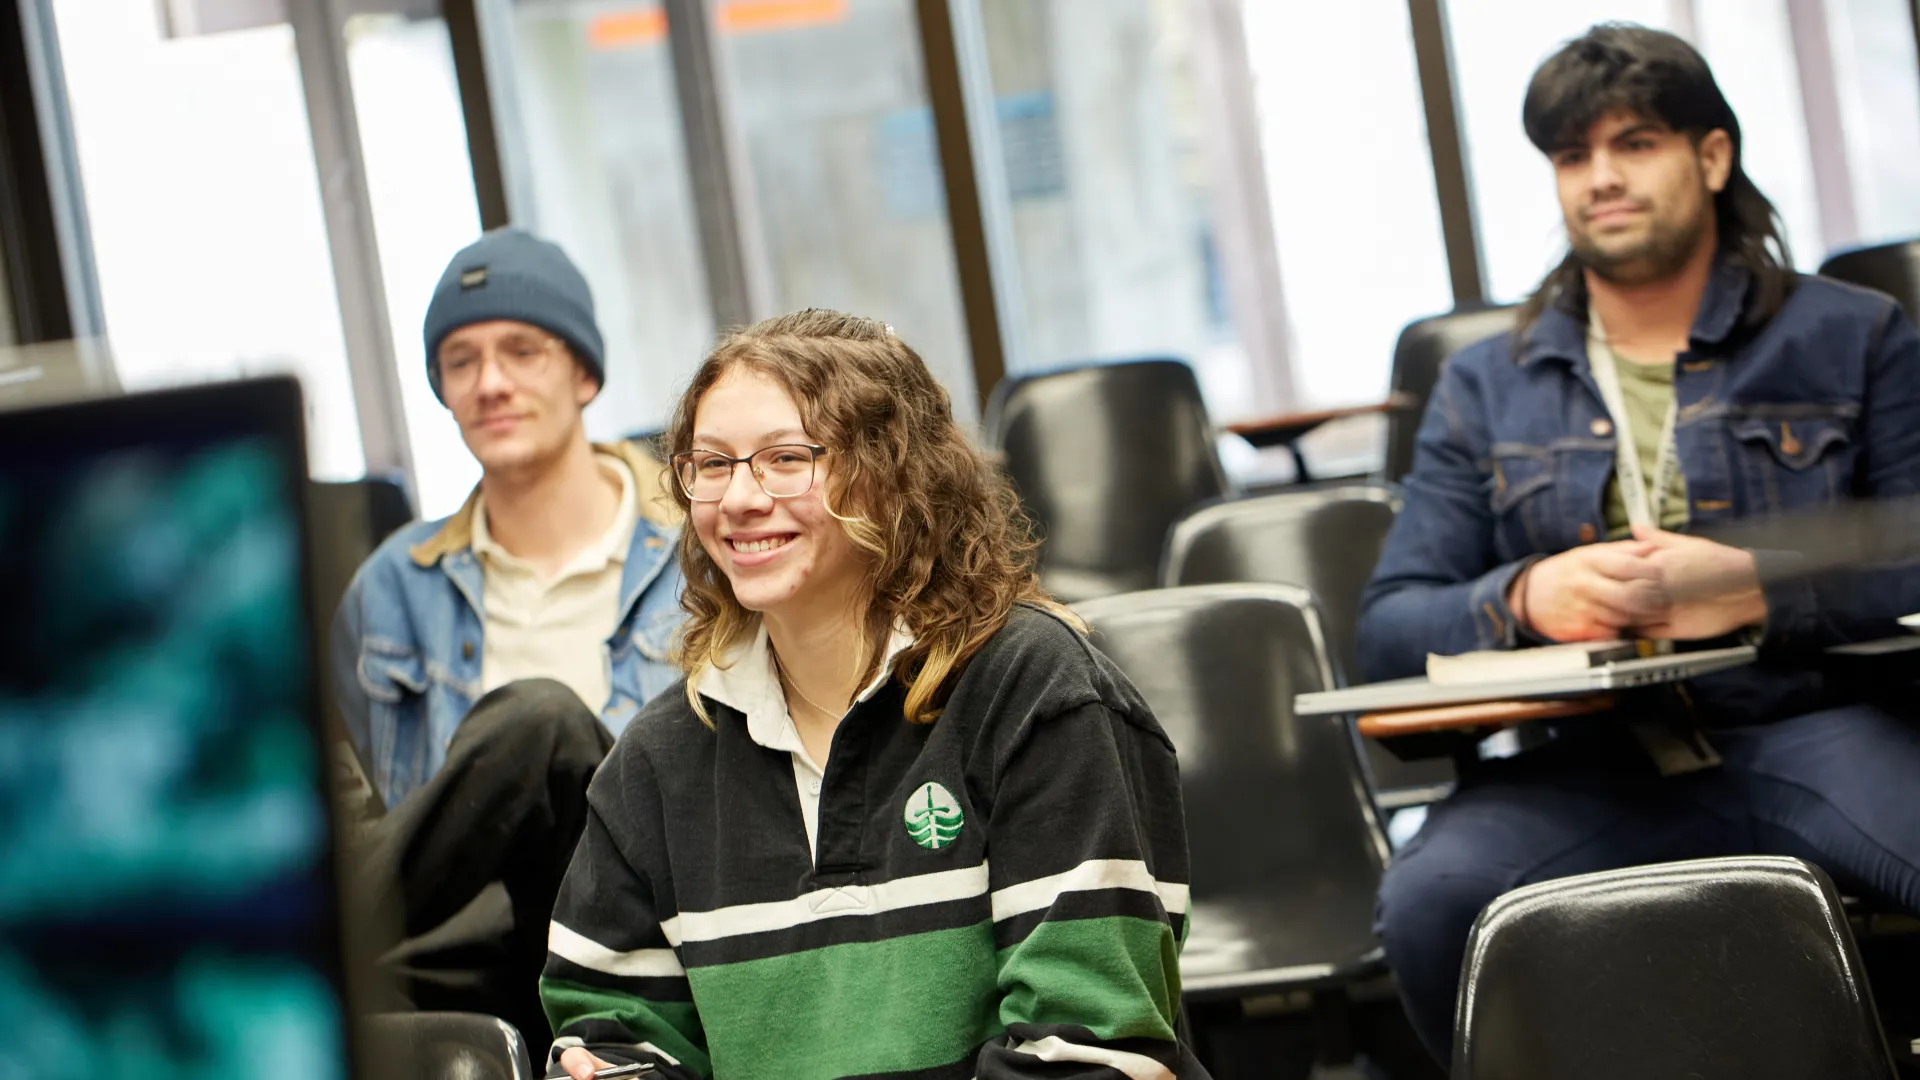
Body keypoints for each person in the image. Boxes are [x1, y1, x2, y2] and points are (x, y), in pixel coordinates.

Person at [1358, 23, 1920, 1061]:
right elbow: (1390, 628)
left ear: (1712, 156)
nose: (1600, 179)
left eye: (1636, 144)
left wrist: (1761, 585)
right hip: (1591, 762)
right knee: (1433, 904)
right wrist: (1527, 597)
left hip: (1808, 726)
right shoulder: (1486, 386)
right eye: (1574, 157)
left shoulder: (1856, 334)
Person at [537, 310, 1206, 1080]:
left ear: (893, 478)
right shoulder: (659, 757)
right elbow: (614, 1033)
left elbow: (1092, 1047)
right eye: (711, 464)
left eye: (786, 458)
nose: (740, 498)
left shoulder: (1034, 690)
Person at [329, 227, 685, 1041]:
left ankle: (324, 948)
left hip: (658, 926)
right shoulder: (392, 587)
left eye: (522, 351)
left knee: (540, 725)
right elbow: (332, 804)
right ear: (443, 391)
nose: (490, 383)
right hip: (469, 949)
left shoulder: (701, 555)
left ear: (584, 373)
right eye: (461, 361)